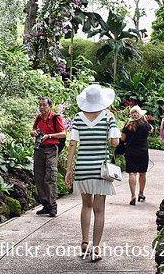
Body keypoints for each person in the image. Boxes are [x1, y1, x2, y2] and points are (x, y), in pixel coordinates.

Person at [65, 84, 120, 262]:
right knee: (100, 210)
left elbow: (72, 144)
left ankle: (84, 242)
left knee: (86, 205)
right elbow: (114, 143)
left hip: (82, 168)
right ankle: (96, 249)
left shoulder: (78, 118)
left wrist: (69, 169)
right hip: (100, 170)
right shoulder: (108, 117)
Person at [31, 97, 66, 217]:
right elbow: (33, 129)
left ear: (50, 106)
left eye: (44, 105)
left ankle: (53, 206)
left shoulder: (56, 118)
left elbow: (63, 134)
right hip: (39, 149)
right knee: (38, 176)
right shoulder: (39, 118)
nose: (41, 108)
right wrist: (33, 132)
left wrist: (50, 136)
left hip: (51, 149)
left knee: (50, 176)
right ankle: (45, 205)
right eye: (40, 105)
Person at [122, 105, 154, 205]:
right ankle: (141, 193)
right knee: (142, 173)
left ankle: (133, 195)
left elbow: (123, 139)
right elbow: (151, 129)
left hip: (130, 151)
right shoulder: (145, 125)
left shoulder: (127, 125)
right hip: (143, 151)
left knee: (132, 173)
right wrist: (144, 119)